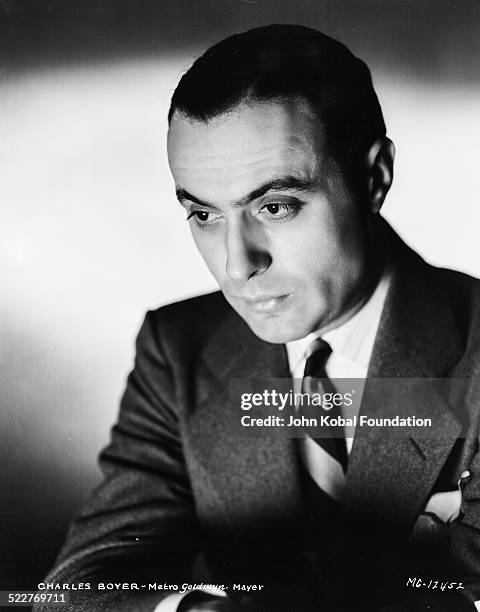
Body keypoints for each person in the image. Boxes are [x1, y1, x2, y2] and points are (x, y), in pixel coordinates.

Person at [36, 24, 480, 611]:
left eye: (275, 206)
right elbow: (79, 588)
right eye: (203, 214)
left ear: (374, 179)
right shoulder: (178, 351)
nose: (237, 265)